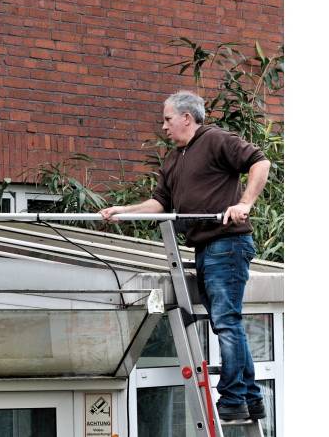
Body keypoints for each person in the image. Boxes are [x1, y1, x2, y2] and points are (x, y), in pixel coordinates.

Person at [99, 90, 271, 421]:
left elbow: (260, 161)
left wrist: (244, 204)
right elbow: (159, 205)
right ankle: (250, 398)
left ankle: (234, 399)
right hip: (205, 247)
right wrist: (126, 210)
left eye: (167, 119)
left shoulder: (216, 140)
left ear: (186, 118)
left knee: (225, 321)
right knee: (226, 322)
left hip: (228, 243)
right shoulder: (174, 159)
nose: (163, 126)